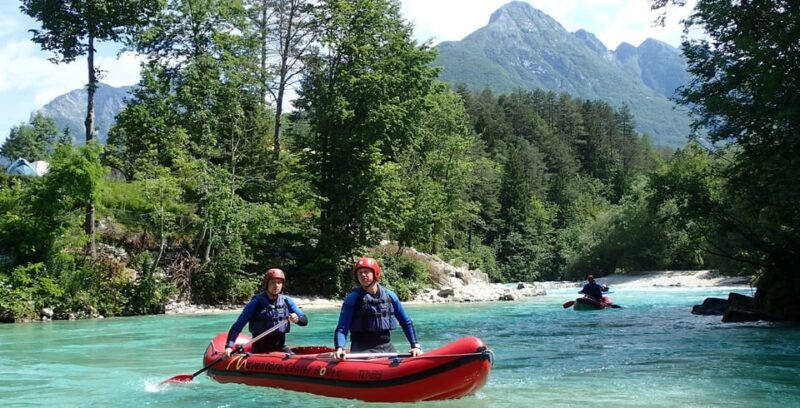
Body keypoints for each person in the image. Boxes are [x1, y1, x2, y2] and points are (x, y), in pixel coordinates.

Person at [333, 257, 422, 360]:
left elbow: (406, 322)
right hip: (362, 349)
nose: (362, 275)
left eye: (366, 272)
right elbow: (342, 328)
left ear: (375, 273)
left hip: (386, 347)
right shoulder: (353, 298)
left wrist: (415, 345)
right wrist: (339, 348)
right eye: (360, 273)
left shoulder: (390, 296)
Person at [224, 268, 308, 356]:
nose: (276, 285)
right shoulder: (256, 303)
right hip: (259, 350)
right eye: (273, 282)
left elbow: (304, 320)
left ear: (282, 285)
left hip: (280, 347)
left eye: (279, 282)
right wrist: (229, 347)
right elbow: (237, 326)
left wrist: (297, 319)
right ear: (267, 284)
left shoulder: (286, 301)